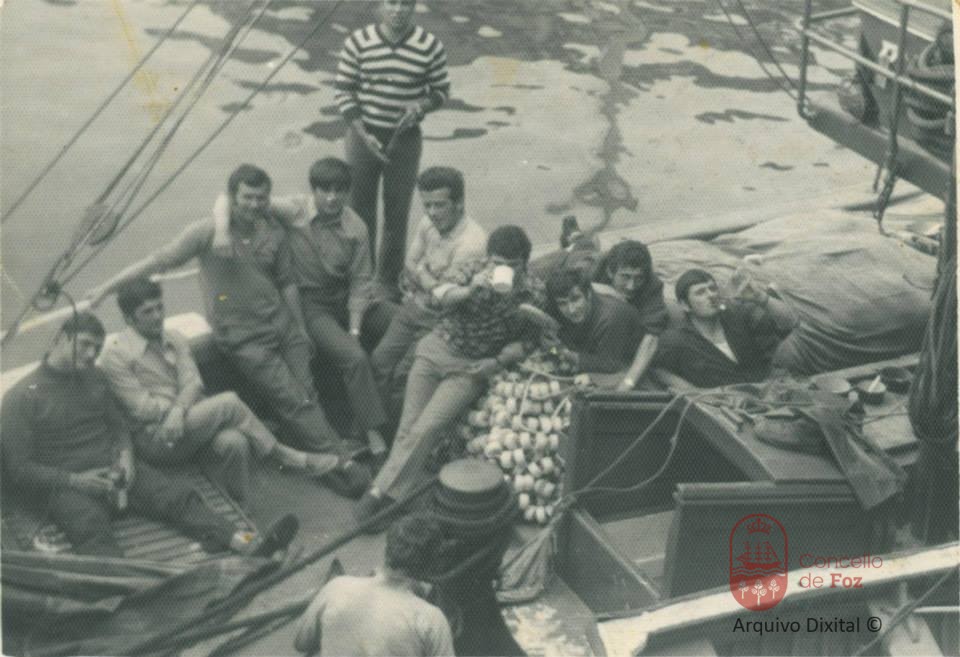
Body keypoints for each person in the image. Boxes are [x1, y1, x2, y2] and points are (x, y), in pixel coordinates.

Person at [87, 164, 369, 496]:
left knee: (307, 394)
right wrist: (104, 288)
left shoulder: (273, 230)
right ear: (232, 197)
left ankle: (319, 452)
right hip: (245, 339)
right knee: (294, 400)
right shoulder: (208, 232)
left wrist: (300, 327)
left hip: (283, 326)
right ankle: (340, 464)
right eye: (247, 197)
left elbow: (287, 283)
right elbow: (156, 261)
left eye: (261, 198)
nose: (254, 205)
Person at [1, 312, 298, 558]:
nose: (91, 355)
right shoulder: (21, 397)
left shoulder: (96, 377)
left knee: (177, 497)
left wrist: (126, 458)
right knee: (90, 528)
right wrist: (77, 481)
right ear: (60, 339)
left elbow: (118, 427)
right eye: (85, 345)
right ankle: (127, 591)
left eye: (97, 348)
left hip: (117, 473)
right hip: (69, 485)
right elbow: (18, 469)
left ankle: (246, 543)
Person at [355, 226, 554, 527]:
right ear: (488, 259)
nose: (502, 270)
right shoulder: (473, 270)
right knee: (408, 427)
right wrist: (471, 289)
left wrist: (496, 362)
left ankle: (377, 493)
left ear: (524, 264)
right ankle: (393, 498)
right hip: (436, 348)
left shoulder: (533, 293)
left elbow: (529, 340)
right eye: (496, 262)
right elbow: (438, 297)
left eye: (511, 265)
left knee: (428, 426)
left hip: (470, 367)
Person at [99, 278, 344, 504]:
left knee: (235, 443)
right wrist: (180, 408)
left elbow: (194, 383)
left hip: (189, 423)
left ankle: (242, 507)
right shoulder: (116, 355)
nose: (157, 316)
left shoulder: (174, 338)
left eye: (159, 307)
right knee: (228, 402)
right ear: (129, 319)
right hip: (157, 439)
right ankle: (285, 457)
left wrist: (179, 410)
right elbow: (143, 409)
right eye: (147, 312)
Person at [218, 158, 390, 457]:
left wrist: (354, 329)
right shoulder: (295, 210)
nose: (332, 198)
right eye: (325, 190)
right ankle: (373, 431)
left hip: (346, 298)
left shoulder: (357, 227)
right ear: (314, 190)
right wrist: (221, 231)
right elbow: (226, 199)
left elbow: (361, 282)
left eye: (339, 190)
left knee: (399, 321)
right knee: (354, 357)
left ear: (347, 192)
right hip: (312, 304)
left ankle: (388, 400)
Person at [335, 0, 450, 295]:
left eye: (406, 3)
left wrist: (421, 106)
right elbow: (344, 91)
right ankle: (361, 280)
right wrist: (363, 132)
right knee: (358, 213)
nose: (398, 10)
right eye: (392, 2)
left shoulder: (429, 45)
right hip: (363, 135)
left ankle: (388, 283)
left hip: (405, 137)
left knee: (397, 213)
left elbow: (441, 91)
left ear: (414, 7)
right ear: (381, 5)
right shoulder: (358, 41)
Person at [370, 166, 487, 410]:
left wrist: (422, 274)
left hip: (442, 322)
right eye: (427, 205)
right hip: (414, 308)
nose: (432, 213)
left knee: (404, 375)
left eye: (439, 205)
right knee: (379, 361)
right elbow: (409, 264)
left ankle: (401, 427)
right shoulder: (427, 223)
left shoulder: (472, 243)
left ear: (459, 203)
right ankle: (378, 424)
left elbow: (441, 298)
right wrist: (428, 280)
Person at [294, 515, 453, 656]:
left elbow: (301, 643)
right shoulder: (431, 620)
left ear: (386, 548)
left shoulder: (337, 586)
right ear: (430, 565)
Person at [652, 268, 796, 390]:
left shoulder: (741, 317)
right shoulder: (677, 340)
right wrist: (694, 392)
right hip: (723, 406)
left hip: (770, 393)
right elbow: (658, 369)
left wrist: (760, 296)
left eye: (712, 288)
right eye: (700, 292)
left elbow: (790, 324)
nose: (711, 295)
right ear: (684, 305)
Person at [593, 240, 670, 390]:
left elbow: (651, 338)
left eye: (638, 278)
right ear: (610, 272)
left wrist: (628, 382)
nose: (631, 286)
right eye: (625, 277)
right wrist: (608, 291)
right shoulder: (594, 267)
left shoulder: (652, 285)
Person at [545, 267, 645, 376]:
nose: (571, 310)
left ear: (588, 294)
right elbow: (555, 347)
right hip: (597, 352)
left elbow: (610, 365)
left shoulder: (610, 317)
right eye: (562, 303)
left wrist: (561, 352)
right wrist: (555, 349)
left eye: (576, 299)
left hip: (637, 363)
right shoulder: (565, 311)